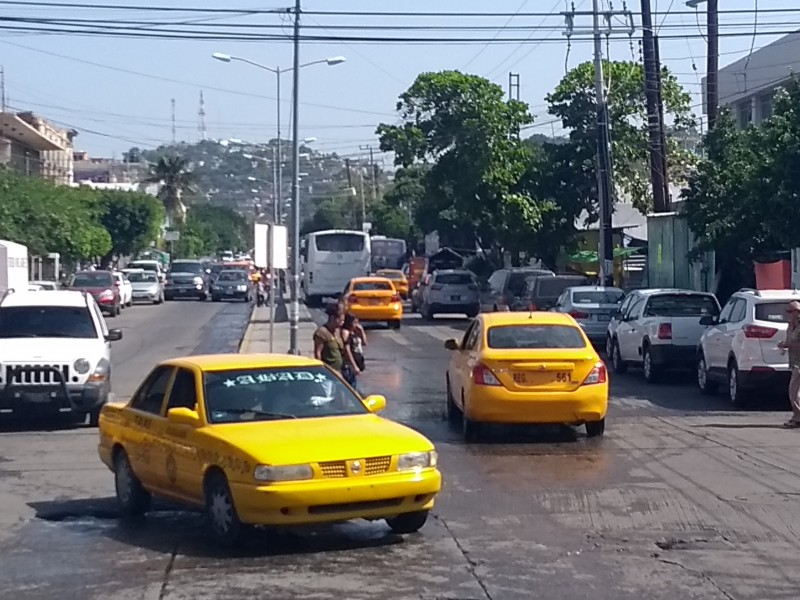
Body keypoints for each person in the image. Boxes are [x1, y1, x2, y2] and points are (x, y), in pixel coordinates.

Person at [778, 300, 800, 428]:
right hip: (794, 362)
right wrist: (783, 345)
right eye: (787, 311)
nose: (788, 314)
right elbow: (788, 341)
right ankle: (797, 417)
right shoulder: (790, 325)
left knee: (792, 392)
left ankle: (798, 417)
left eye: (790, 311)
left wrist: (788, 345)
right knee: (796, 393)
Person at [313, 303, 345, 373]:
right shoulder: (322, 332)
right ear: (332, 318)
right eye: (340, 320)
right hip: (329, 371)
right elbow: (318, 353)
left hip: (339, 371)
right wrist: (321, 369)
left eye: (343, 321)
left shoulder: (338, 332)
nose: (342, 323)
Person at [341, 313, 366, 388]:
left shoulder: (355, 332)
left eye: (357, 322)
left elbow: (365, 342)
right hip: (349, 364)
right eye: (354, 323)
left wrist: (361, 331)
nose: (356, 325)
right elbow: (347, 349)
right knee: (350, 386)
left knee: (353, 384)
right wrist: (354, 365)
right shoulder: (346, 332)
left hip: (357, 360)